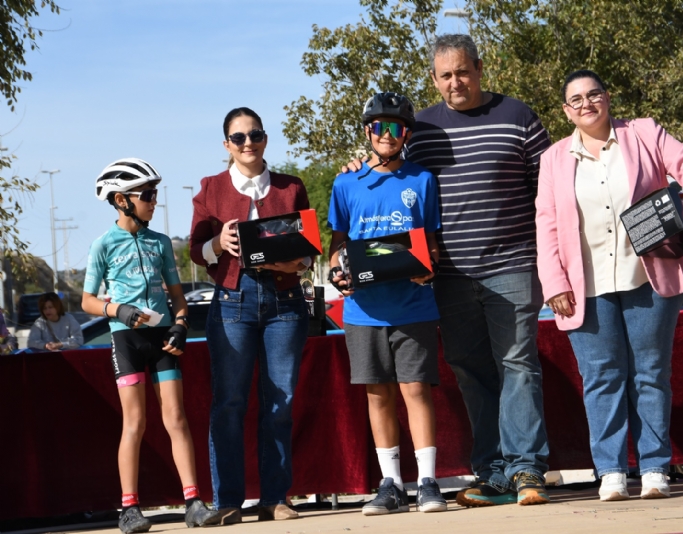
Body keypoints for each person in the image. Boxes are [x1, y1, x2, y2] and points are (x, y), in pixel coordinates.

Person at [348, 34, 553, 507]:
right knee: (470, 369)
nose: (455, 82)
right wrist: (361, 165)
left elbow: (549, 192)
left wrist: (551, 260)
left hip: (513, 264)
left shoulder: (518, 116)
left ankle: (526, 469)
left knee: (518, 364)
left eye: (462, 71)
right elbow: (392, 174)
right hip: (449, 276)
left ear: (479, 68)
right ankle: (493, 473)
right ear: (434, 79)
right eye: (445, 75)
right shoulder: (420, 129)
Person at [535, 69, 683, 501]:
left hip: (649, 276)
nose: (587, 104)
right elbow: (546, 224)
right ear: (566, 110)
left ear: (607, 98)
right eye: (576, 100)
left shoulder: (643, 133)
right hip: (585, 286)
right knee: (601, 378)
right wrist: (554, 281)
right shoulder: (553, 159)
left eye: (594, 94)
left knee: (651, 374)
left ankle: (655, 467)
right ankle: (611, 472)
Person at [83, 158, 220, 533]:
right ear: (121, 200)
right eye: (147, 195)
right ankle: (129, 509)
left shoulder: (160, 243)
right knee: (135, 422)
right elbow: (87, 301)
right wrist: (117, 310)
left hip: (161, 338)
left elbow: (177, 296)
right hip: (126, 339)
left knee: (176, 418)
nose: (154, 201)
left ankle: (193, 502)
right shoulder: (102, 245)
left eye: (155, 194)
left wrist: (181, 325)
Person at [189, 107, 310, 523]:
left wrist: (298, 263)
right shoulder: (210, 188)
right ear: (227, 145)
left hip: (285, 302)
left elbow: (308, 249)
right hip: (232, 301)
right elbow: (196, 251)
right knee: (229, 402)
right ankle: (228, 501)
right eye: (238, 137)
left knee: (280, 403)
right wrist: (218, 244)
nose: (248, 143)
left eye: (255, 134)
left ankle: (275, 498)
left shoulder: (291, 187)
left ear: (265, 138)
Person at [328, 92, 447, 515]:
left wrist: (429, 269)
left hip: (413, 306)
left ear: (407, 134)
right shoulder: (346, 183)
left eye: (396, 127)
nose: (387, 134)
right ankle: (391, 484)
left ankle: (428, 481)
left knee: (416, 390)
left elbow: (431, 244)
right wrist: (337, 273)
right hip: (364, 311)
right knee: (378, 394)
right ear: (367, 131)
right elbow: (337, 245)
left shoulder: (422, 180)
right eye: (379, 126)